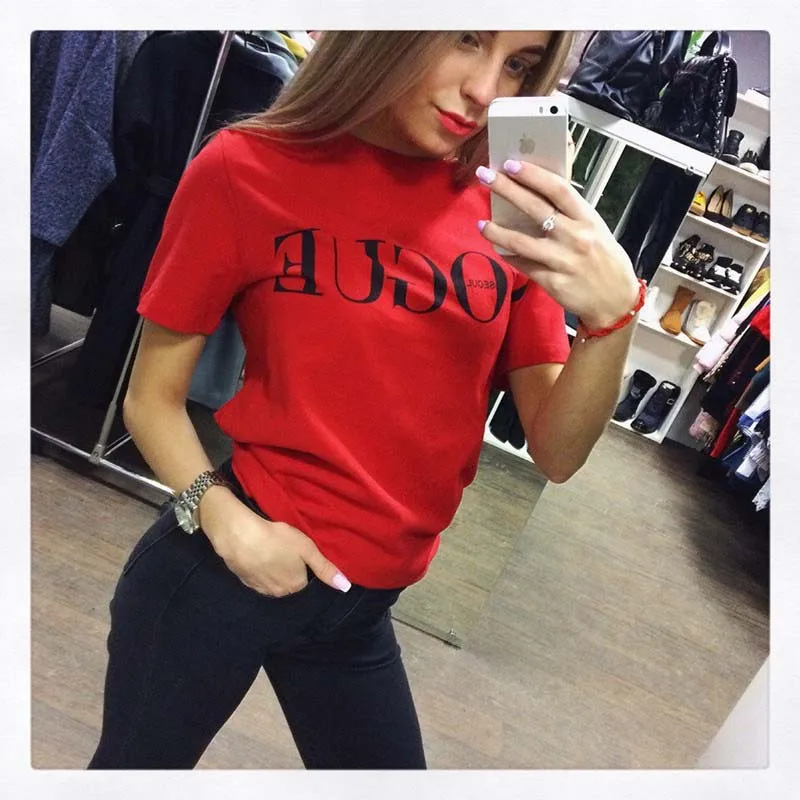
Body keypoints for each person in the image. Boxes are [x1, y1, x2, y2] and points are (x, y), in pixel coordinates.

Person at [88, 30, 641, 770]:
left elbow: (559, 452)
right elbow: (150, 399)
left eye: (518, 64)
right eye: (466, 40)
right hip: (224, 572)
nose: (485, 91)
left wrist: (612, 321)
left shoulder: (507, 213)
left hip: (359, 609)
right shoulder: (246, 168)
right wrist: (226, 523)